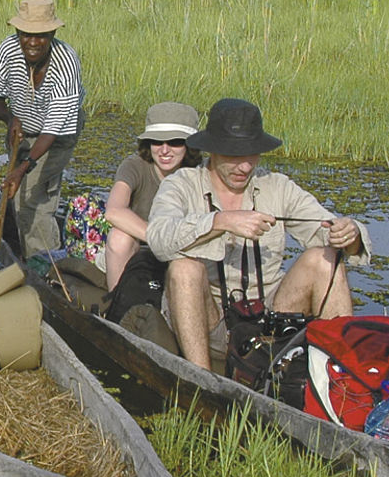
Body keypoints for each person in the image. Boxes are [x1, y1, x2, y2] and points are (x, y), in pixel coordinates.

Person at [143, 98, 371, 371]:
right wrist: (220, 222)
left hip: (271, 316)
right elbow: (159, 239)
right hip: (209, 321)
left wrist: (349, 234)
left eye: (251, 155)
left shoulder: (276, 186)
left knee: (324, 259)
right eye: (234, 156)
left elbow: (324, 228)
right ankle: (201, 379)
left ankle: (340, 375)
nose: (245, 167)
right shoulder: (180, 184)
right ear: (212, 150)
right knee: (184, 268)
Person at [0, 0, 83, 257]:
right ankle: (25, 254)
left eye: (41, 36)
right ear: (18, 32)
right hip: (22, 128)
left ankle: (45, 264)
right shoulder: (8, 49)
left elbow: (53, 128)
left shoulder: (66, 62)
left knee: (31, 199)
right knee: (18, 196)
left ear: (52, 34)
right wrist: (9, 118)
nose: (33, 43)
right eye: (26, 35)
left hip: (57, 135)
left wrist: (23, 168)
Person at [102, 102, 202, 291]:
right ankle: (116, 299)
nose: (164, 150)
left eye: (175, 142)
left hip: (184, 250)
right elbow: (114, 211)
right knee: (119, 238)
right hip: (140, 247)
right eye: (157, 141)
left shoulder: (200, 173)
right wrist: (159, 237)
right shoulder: (134, 166)